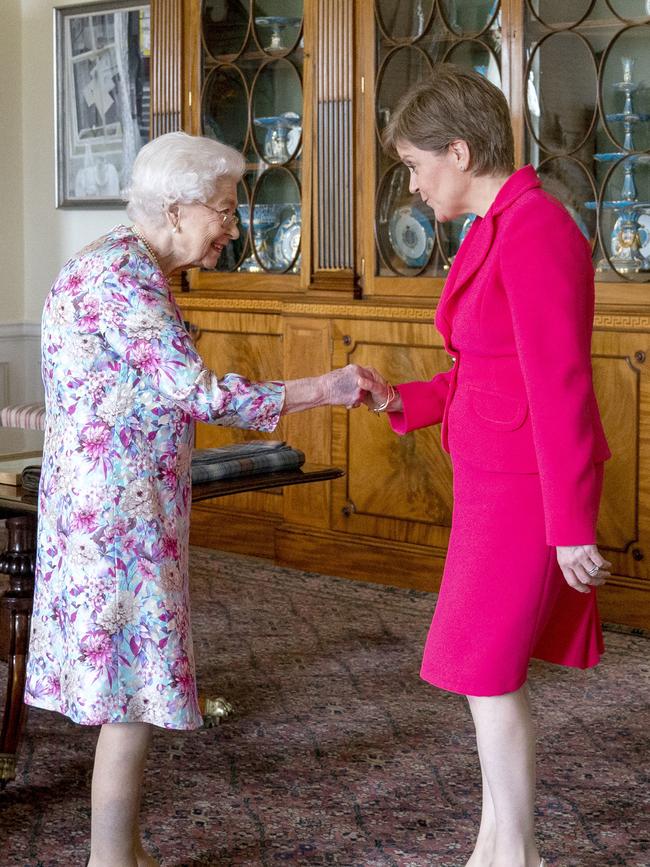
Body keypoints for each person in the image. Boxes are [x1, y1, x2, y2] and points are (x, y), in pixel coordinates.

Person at [24, 131, 367, 867]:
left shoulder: (123, 265)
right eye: (223, 210)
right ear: (176, 209)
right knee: (131, 695)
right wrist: (326, 387)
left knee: (130, 691)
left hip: (114, 511)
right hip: (116, 521)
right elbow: (201, 393)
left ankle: (126, 851)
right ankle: (111, 860)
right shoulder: (124, 279)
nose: (232, 228)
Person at [359, 65, 612, 867]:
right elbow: (486, 370)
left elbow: (560, 382)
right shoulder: (502, 225)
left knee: (486, 670)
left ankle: (517, 853)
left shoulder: (534, 227)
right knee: (482, 671)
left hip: (527, 492)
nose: (413, 182)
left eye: (414, 163)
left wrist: (571, 525)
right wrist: (399, 398)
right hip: (494, 483)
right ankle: (498, 842)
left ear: (460, 153)